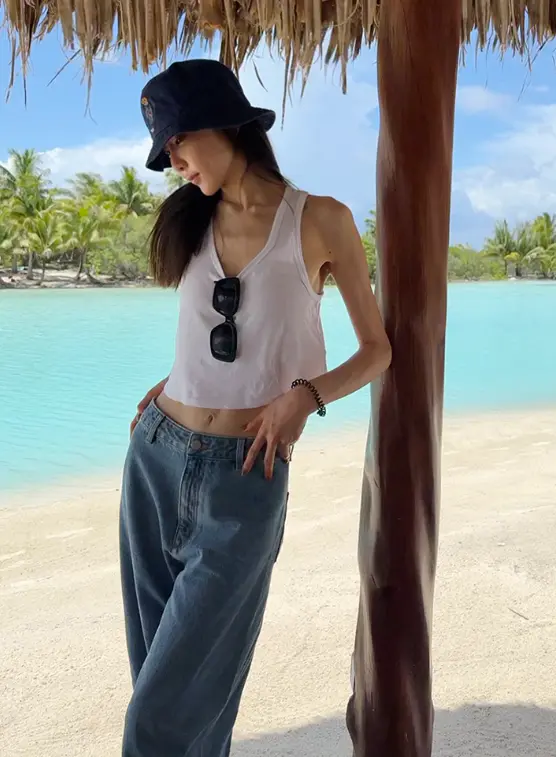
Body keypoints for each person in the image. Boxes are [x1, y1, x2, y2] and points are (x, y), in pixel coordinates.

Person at [119, 58, 391, 757]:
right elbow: (216, 337)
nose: (174, 161)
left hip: (246, 473)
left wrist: (307, 397)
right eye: (165, 151)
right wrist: (175, 381)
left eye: (178, 140)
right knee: (164, 689)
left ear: (225, 124)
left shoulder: (321, 219)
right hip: (155, 456)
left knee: (163, 715)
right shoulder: (190, 218)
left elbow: (376, 351)